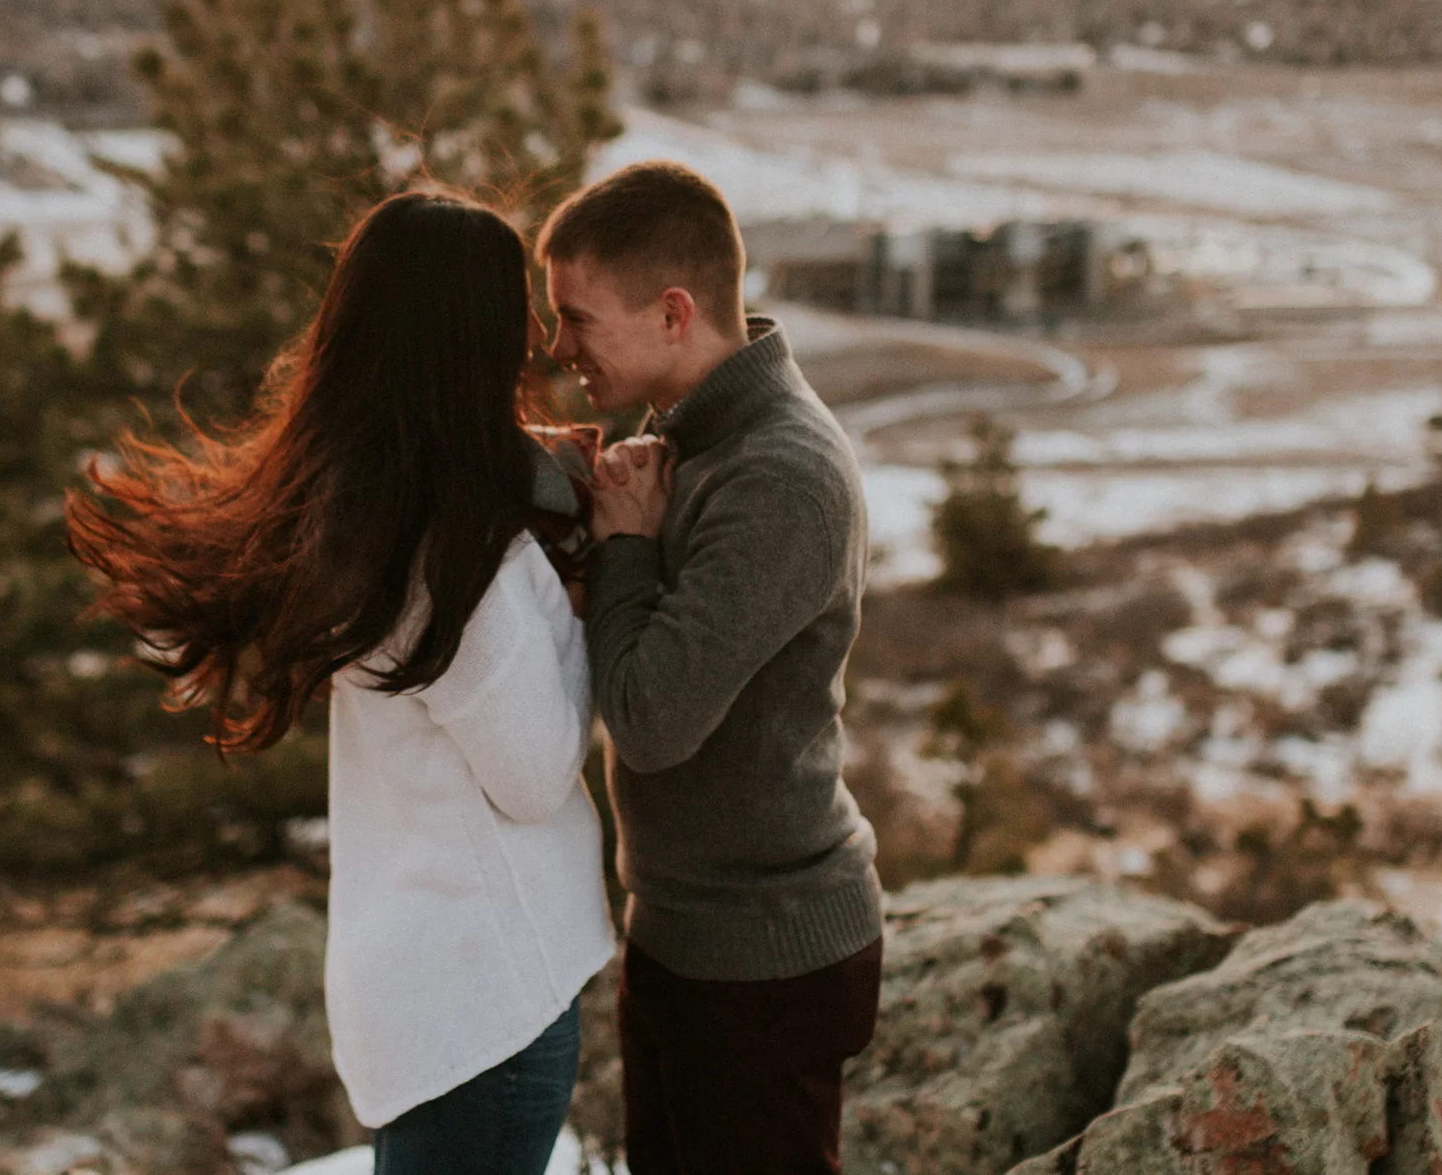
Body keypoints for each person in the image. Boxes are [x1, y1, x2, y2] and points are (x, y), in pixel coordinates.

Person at [69, 190, 616, 1174]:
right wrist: (589, 598)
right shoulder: (461, 562)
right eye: (513, 308)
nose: (535, 333)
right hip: (488, 997)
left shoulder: (361, 511)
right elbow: (535, 775)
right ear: (466, 337)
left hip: (422, 990)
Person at [538, 160, 883, 1175]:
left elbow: (650, 716)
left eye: (576, 318)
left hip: (764, 957)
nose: (556, 348)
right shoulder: (685, 439)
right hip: (688, 934)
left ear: (673, 312)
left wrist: (627, 550)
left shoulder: (781, 477)